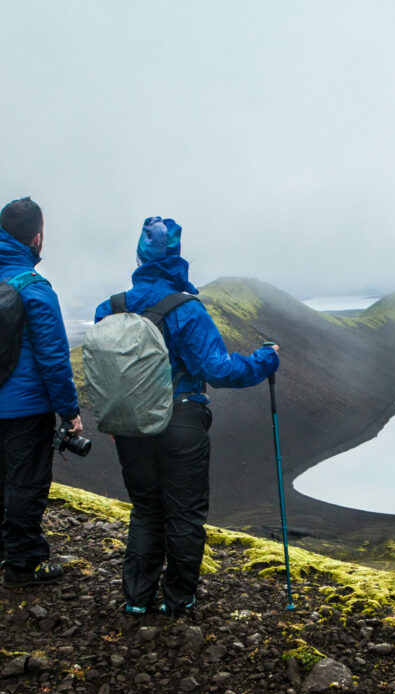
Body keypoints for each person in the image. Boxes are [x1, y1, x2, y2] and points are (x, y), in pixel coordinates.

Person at [94, 216, 279, 617]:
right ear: (177, 255)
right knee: (184, 514)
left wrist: (115, 419)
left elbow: (106, 372)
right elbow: (219, 370)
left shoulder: (108, 308)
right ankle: (178, 599)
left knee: (146, 509)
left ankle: (136, 598)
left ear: (140, 256)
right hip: (181, 424)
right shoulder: (186, 310)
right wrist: (266, 359)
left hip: (130, 427)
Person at [0, 197, 82, 587]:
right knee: (25, 485)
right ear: (37, 238)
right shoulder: (35, 289)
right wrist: (70, 412)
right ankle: (24, 563)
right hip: (25, 410)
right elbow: (53, 360)